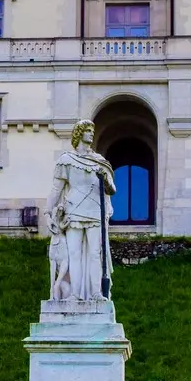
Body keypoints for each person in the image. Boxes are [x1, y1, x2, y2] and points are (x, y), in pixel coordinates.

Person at [45, 120, 115, 301]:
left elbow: (112, 189)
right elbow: (56, 189)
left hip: (94, 210)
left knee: (95, 253)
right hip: (73, 210)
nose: (91, 134)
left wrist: (105, 180)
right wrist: (47, 213)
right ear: (79, 134)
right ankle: (75, 294)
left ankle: (96, 293)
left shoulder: (99, 161)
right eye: (88, 130)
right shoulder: (66, 160)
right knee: (73, 254)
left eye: (93, 130)